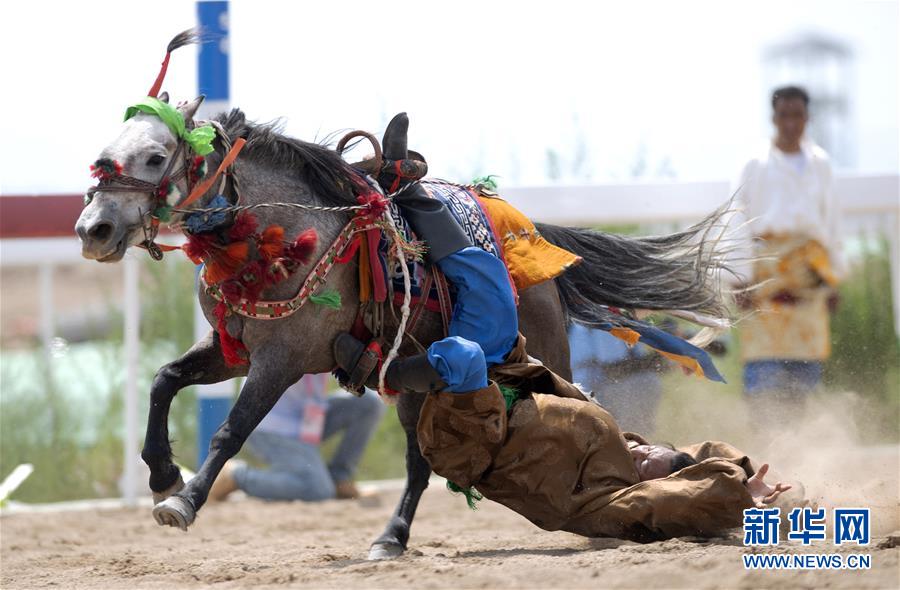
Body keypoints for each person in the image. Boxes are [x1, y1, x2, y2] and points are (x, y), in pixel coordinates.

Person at [416, 334, 797, 542]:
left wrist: (737, 496)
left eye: (645, 467)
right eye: (650, 451)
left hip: (471, 435)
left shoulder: (608, 500)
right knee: (488, 275)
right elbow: (703, 455)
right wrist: (748, 475)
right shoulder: (629, 443)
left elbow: (671, 497)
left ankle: (365, 366)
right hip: (508, 379)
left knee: (461, 353)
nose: (642, 455)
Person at [733, 85, 843, 404]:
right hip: (764, 274)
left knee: (805, 372)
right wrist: (738, 279)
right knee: (763, 373)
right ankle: (767, 440)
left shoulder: (821, 164)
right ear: (774, 117)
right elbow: (737, 218)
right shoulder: (753, 163)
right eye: (785, 115)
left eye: (798, 115)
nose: (791, 123)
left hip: (809, 273)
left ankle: (805, 441)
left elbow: (831, 221)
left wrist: (833, 278)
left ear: (807, 117)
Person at [209, 373, 385, 502]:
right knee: (318, 489)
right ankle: (237, 476)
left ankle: (339, 478)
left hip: (303, 417)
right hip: (266, 423)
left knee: (368, 404)